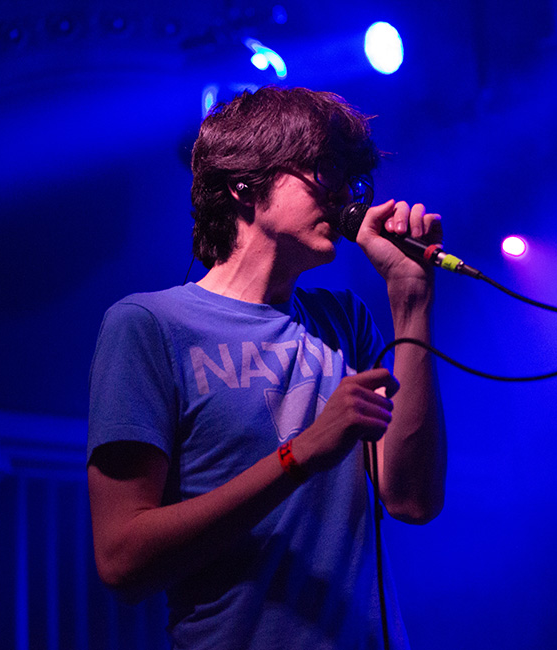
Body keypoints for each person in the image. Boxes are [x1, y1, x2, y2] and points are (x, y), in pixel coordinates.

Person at [87, 86, 446, 649]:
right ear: (244, 185)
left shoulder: (344, 321)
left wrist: (411, 301)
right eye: (324, 169)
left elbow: (411, 500)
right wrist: (299, 455)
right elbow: (121, 559)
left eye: (353, 179)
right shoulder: (149, 325)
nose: (346, 195)